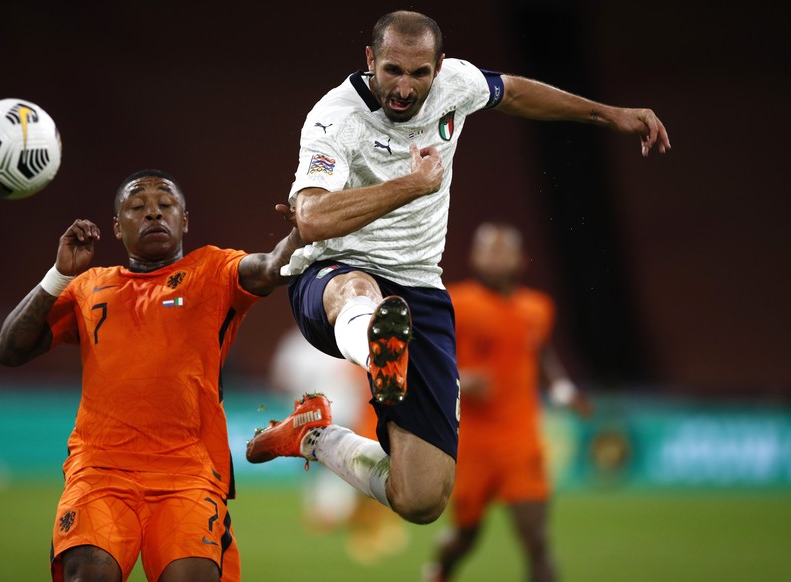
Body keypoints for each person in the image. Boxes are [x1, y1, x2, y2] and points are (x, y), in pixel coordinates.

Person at [245, 10, 670, 526]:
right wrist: (411, 184)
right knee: (359, 288)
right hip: (333, 277)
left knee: (421, 497)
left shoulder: (457, 84)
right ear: (370, 61)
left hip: (419, 291)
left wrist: (609, 115)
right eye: (393, 71)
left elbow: (512, 91)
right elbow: (310, 218)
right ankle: (376, 349)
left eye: (419, 73)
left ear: (439, 67)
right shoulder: (335, 118)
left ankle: (313, 435)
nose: (404, 87)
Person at [0, 169, 302, 582]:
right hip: (100, 471)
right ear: (118, 228)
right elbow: (10, 350)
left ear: (185, 220)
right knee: (88, 575)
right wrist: (59, 275)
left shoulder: (213, 270)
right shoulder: (89, 286)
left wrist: (303, 229)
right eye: (138, 208)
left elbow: (271, 267)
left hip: (188, 474)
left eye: (165, 205)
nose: (153, 214)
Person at [422, 222, 592, 582]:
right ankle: (439, 570)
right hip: (470, 443)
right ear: (473, 256)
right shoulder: (454, 303)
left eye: (503, 250)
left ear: (519, 259)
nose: (496, 257)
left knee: (536, 539)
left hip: (520, 440)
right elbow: (426, 358)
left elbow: (540, 354)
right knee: (465, 537)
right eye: (488, 249)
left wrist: (563, 390)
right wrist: (460, 380)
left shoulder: (538, 308)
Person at [268, 327, 409, 563]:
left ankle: (339, 515)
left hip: (333, 416)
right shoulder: (332, 340)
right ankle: (344, 517)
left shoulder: (308, 342)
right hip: (327, 417)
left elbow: (283, 379)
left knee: (339, 468)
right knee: (342, 468)